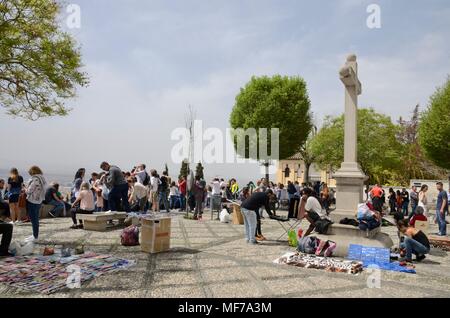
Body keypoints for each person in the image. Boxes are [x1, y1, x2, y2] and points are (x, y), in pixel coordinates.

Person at [25, 166, 47, 242]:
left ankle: (35, 236)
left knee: (33, 219)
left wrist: (25, 189)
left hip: (33, 200)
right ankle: (35, 235)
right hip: (39, 200)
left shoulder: (35, 179)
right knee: (36, 219)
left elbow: (29, 190)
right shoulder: (42, 178)